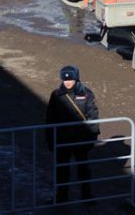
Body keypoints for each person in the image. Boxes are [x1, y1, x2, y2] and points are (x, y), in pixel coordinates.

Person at [45, 66, 100, 202]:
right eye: (65, 79)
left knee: (83, 169)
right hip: (63, 140)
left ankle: (87, 196)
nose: (67, 82)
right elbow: (50, 118)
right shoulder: (56, 95)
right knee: (62, 170)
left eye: (71, 79)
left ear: (76, 78)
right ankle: (61, 197)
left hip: (80, 139)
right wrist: (50, 139)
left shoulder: (87, 94)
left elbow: (93, 116)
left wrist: (91, 138)